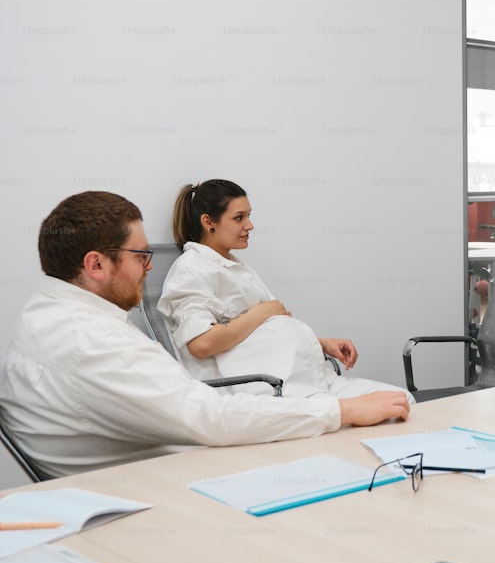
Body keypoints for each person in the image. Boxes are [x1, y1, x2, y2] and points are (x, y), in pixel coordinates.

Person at [0, 191, 410, 478]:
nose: (148, 267)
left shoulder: (47, 315)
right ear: (95, 265)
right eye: (140, 256)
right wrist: (341, 411)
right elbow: (210, 416)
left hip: (161, 467)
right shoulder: (91, 341)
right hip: (164, 487)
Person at [157, 179, 414, 402]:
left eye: (249, 215)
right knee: (392, 407)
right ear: (208, 222)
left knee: (403, 400)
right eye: (239, 218)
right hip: (267, 391)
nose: (250, 225)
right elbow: (201, 344)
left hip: (300, 380)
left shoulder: (232, 266)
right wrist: (262, 312)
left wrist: (321, 344)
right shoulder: (192, 269)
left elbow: (261, 333)